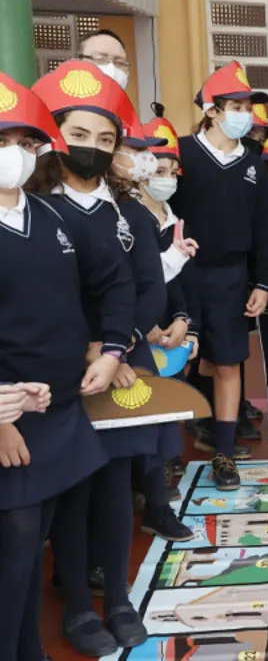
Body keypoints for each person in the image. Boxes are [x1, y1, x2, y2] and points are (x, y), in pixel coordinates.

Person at [31, 61, 168, 657]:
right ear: (53, 135)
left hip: (120, 367)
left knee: (115, 482)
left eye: (104, 139)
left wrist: (119, 347)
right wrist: (82, 347)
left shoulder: (129, 212)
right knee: (73, 487)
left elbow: (146, 288)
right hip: (56, 372)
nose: (90, 149)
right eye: (77, 135)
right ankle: (80, 608)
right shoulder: (33, 207)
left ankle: (118, 596)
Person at [0, 72, 129, 661]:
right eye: (3, 142)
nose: (16, 156)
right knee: (15, 543)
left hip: (62, 407)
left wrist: (110, 350)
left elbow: (114, 282)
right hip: (9, 422)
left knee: (31, 551)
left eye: (27, 143)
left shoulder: (52, 217)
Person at [171, 61, 268, 490]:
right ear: (212, 111)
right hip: (182, 274)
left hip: (232, 277)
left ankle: (224, 451)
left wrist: (263, 281)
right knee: (176, 362)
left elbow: (265, 228)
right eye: (234, 105)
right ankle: (168, 454)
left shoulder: (253, 162)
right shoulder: (181, 153)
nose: (243, 114)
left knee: (231, 363)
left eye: (247, 106)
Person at [132, 114, 201, 540]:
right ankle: (146, 497)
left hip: (165, 328)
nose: (164, 178)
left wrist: (183, 322)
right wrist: (149, 326)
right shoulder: (130, 218)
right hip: (135, 331)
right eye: (155, 170)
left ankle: (155, 500)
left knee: (158, 420)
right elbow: (135, 281)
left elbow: (176, 283)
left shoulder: (175, 220)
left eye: (169, 171)